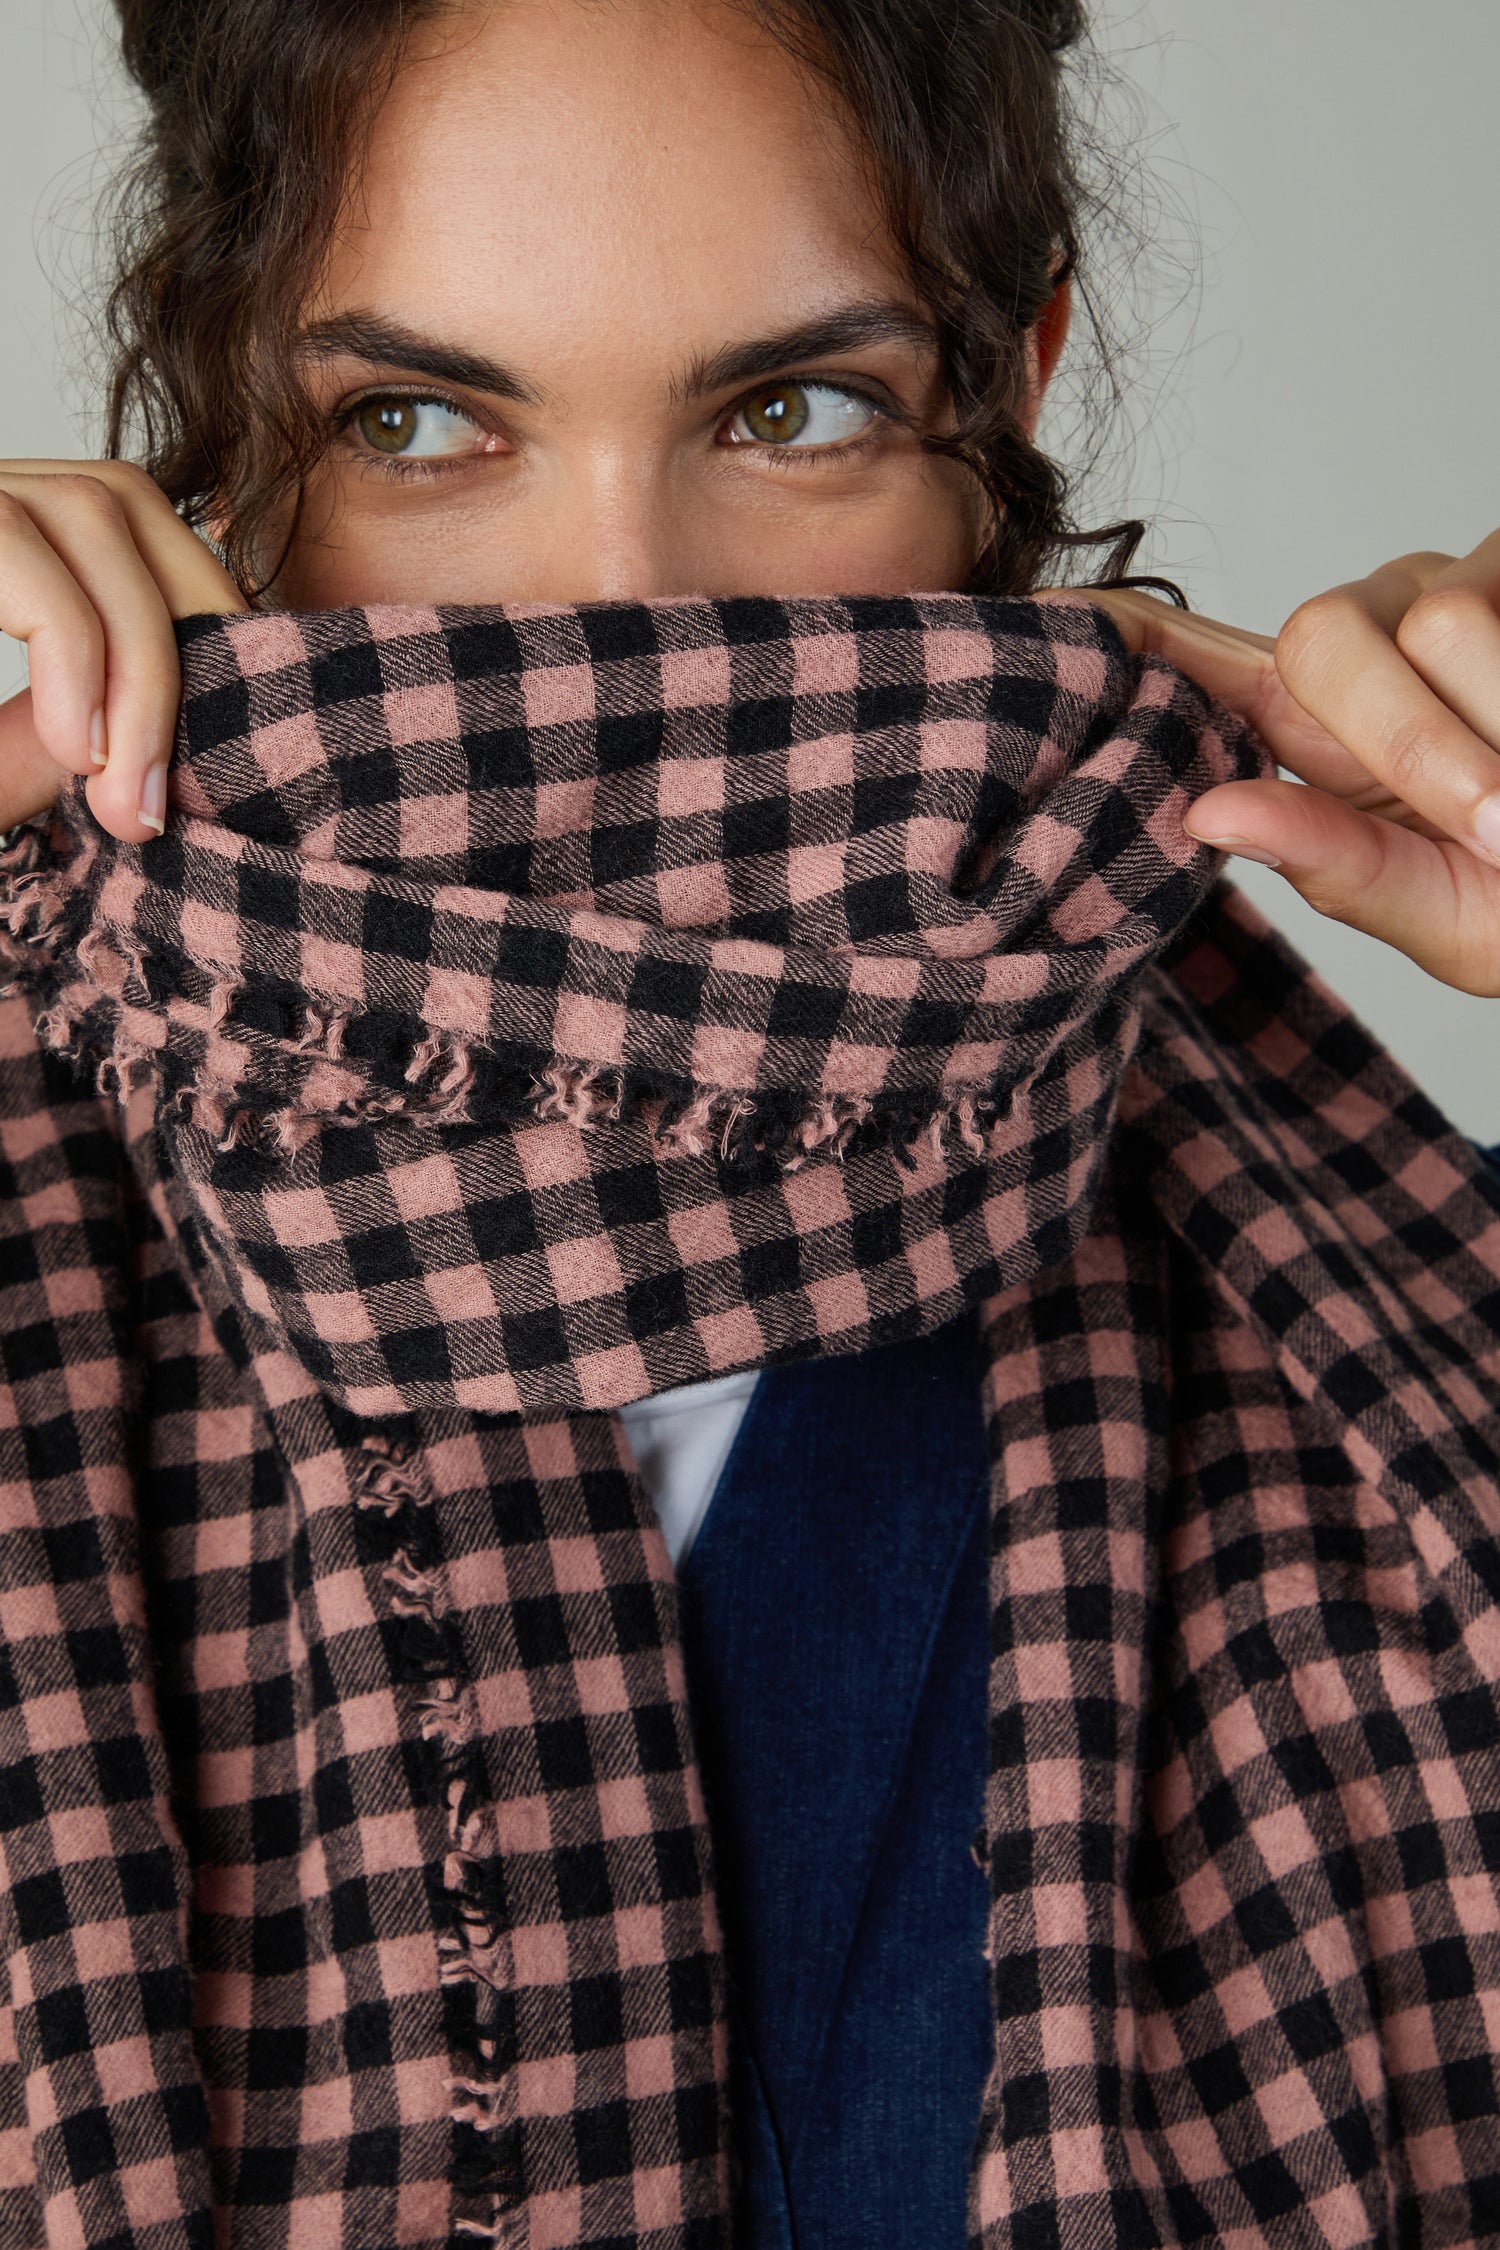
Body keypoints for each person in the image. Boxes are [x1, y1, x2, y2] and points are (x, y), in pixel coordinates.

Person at [0, 4, 1498, 2248]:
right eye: (418, 422)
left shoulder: (1397, 1336)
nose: (625, 600)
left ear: (1005, 394)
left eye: (790, 411)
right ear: (221, 441)